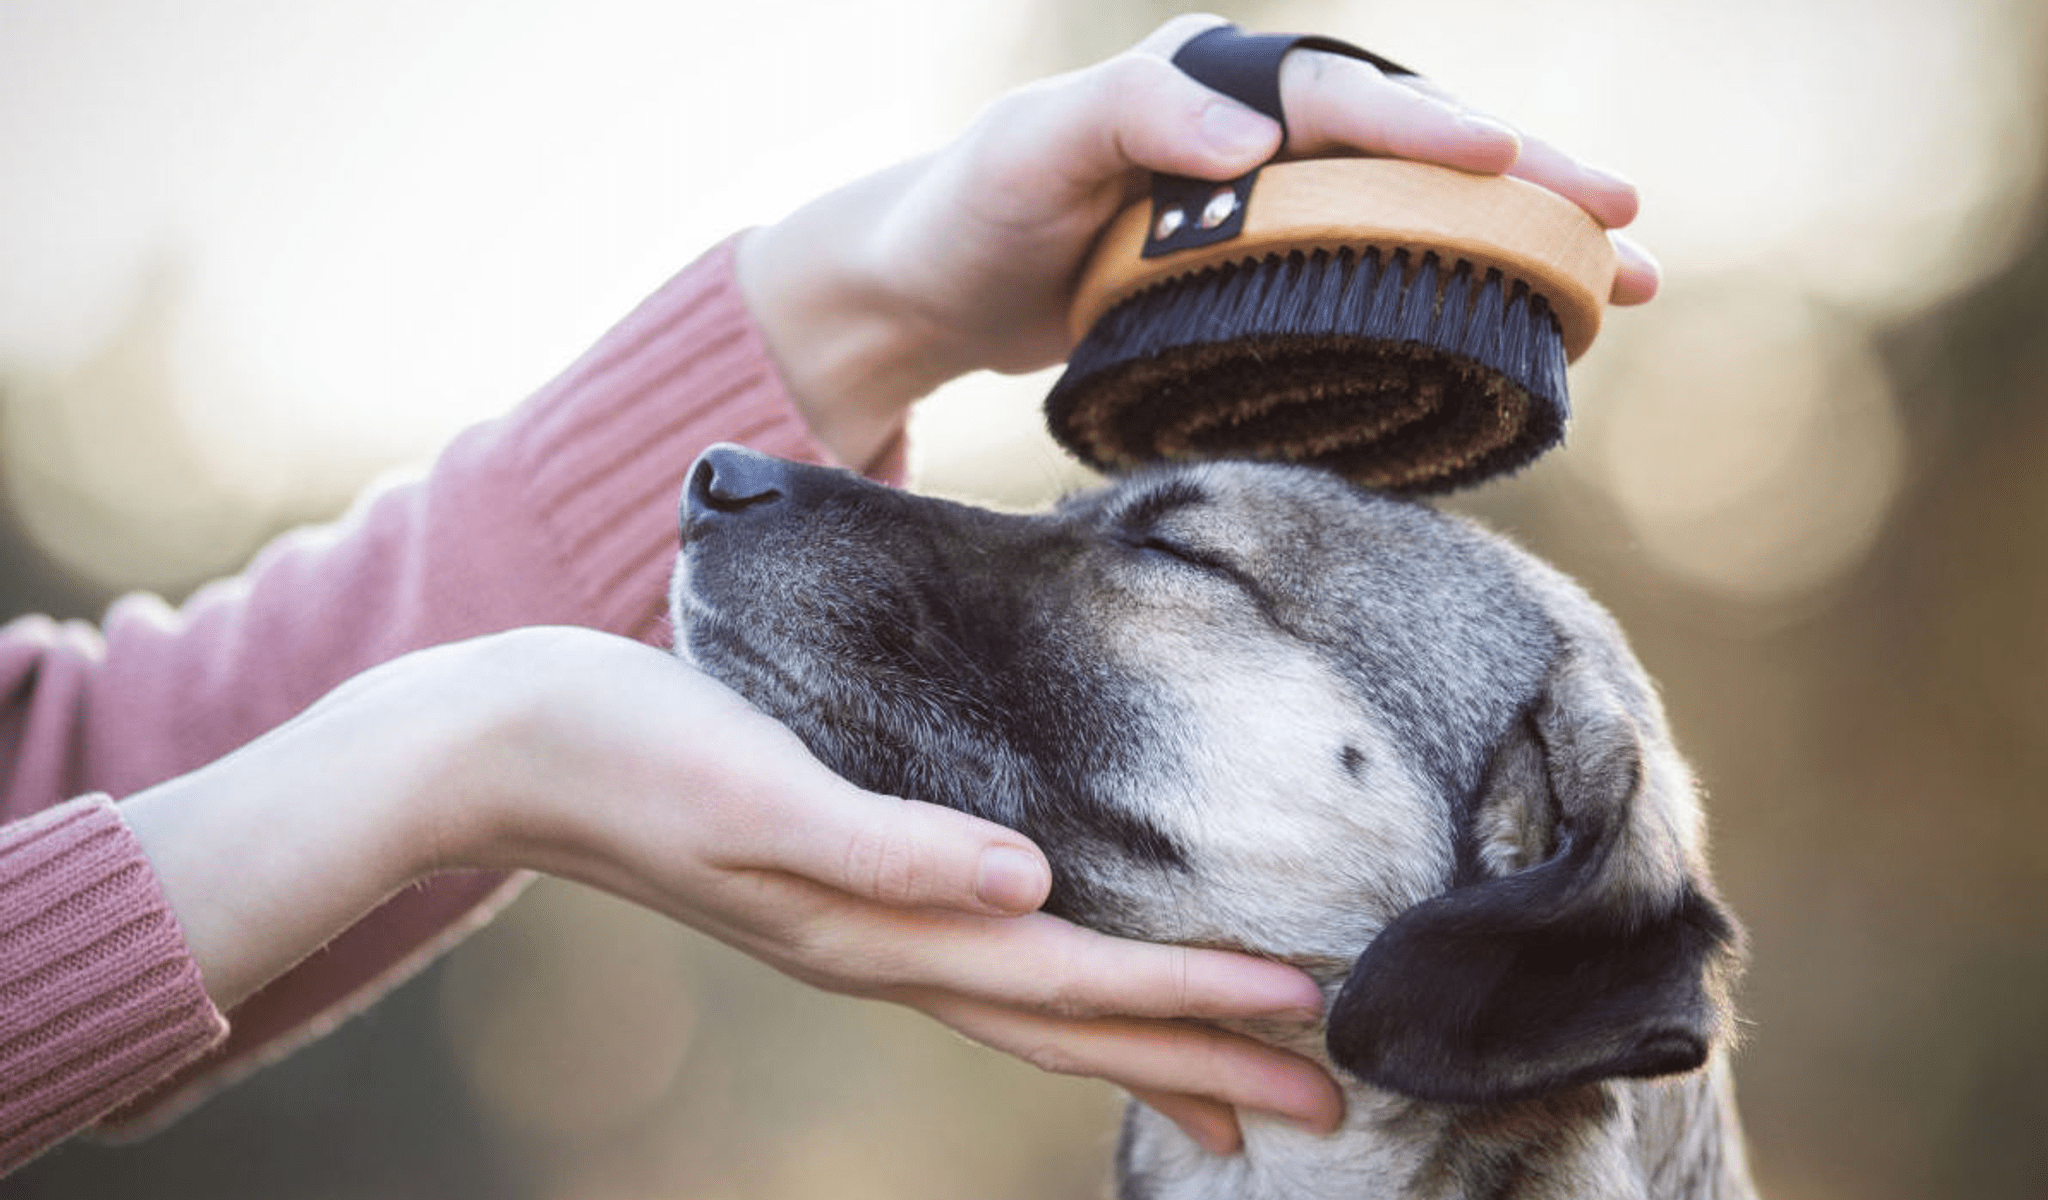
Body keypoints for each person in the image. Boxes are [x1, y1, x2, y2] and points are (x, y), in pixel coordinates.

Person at [0, 13, 1657, 1174]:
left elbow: (83, 770)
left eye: (1168, 560)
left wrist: (877, 279)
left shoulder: (1583, 886)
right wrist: (459, 747)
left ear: (1532, 905)